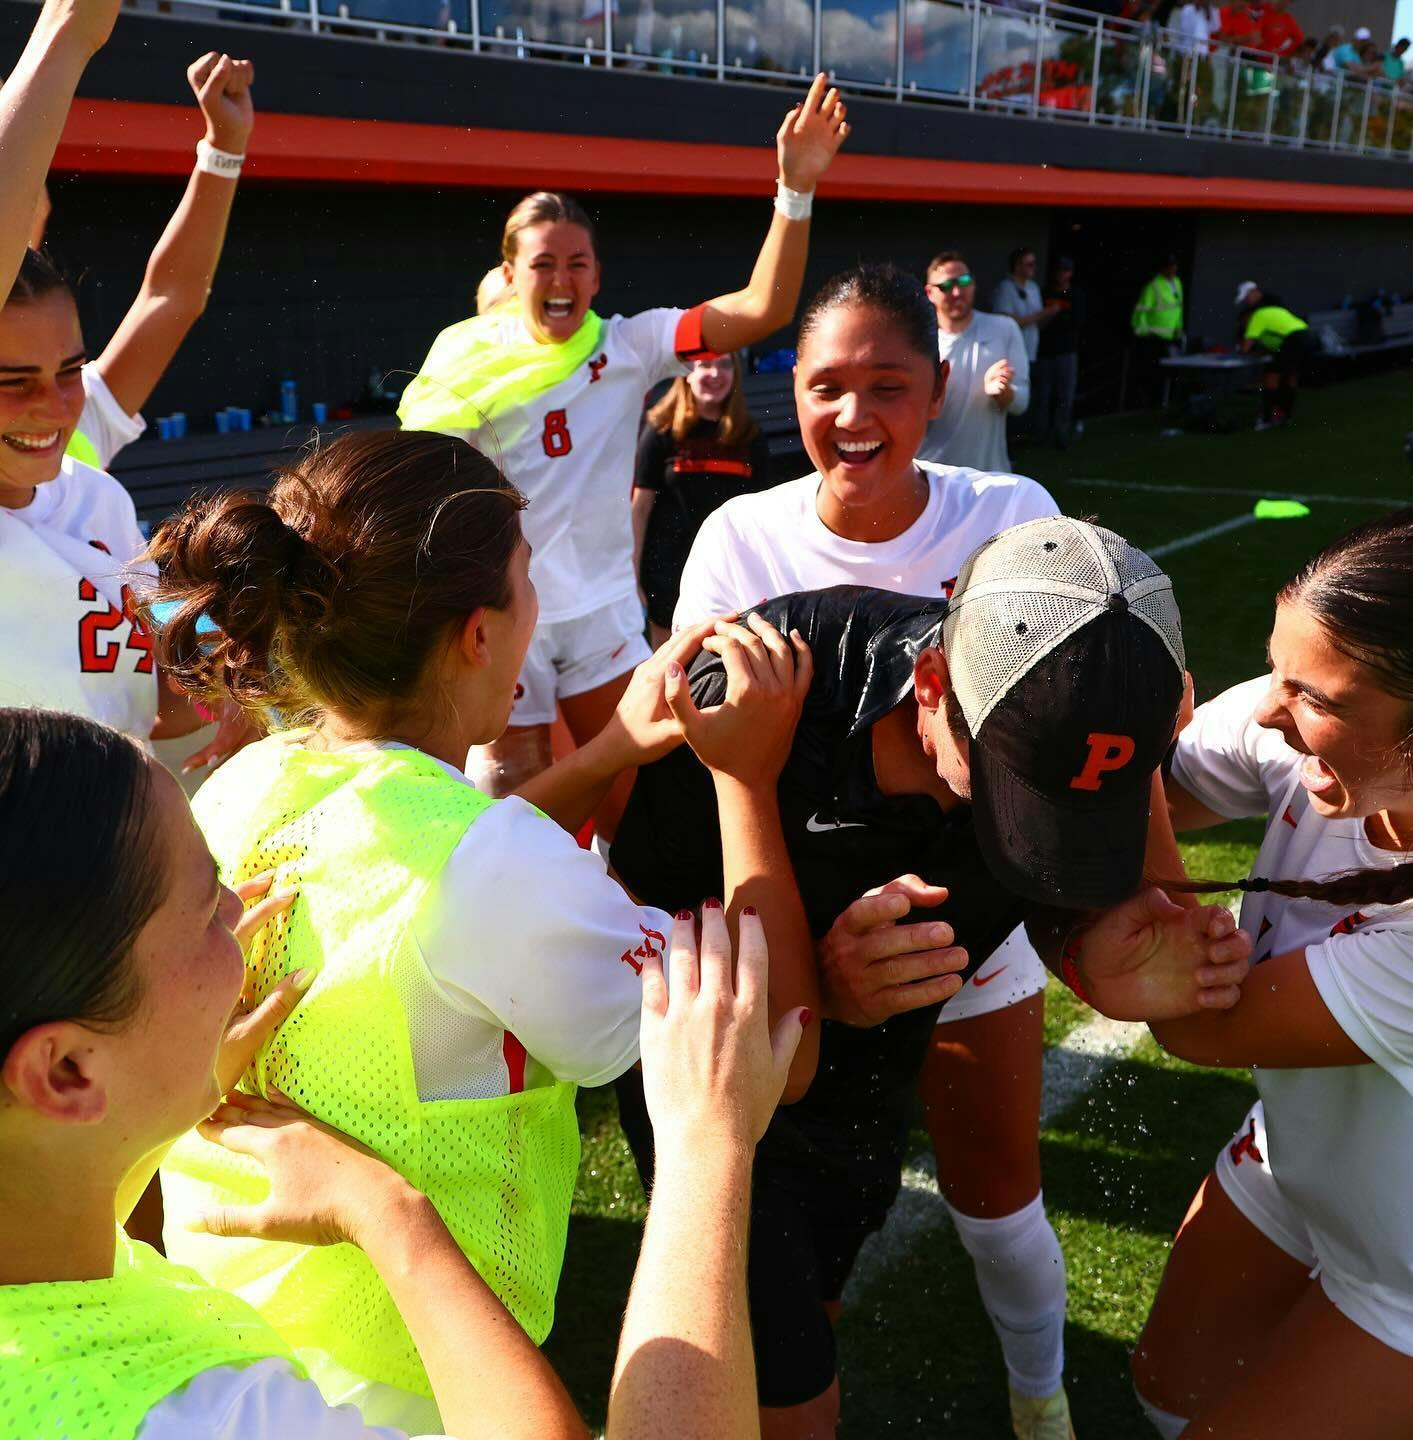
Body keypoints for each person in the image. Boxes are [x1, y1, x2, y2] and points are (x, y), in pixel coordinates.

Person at [143, 427, 820, 1431]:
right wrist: (745, 779)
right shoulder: (497, 870)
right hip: (413, 1393)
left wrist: (606, 756)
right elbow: (768, 1043)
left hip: (221, 1347)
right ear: (477, 635)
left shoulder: (239, 785)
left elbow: (441, 861)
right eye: (525, 577)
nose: (535, 606)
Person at [0, 701, 808, 1440]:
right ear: (67, 1071)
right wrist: (707, 1145)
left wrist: (173, 1089)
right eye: (207, 902)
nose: (245, 917)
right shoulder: (209, 1420)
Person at [616, 515, 1253, 1440]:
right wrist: (826, 990)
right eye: (1008, 790)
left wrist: (1103, 957)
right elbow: (728, 1025)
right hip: (714, 1082)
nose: (1031, 837)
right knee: (793, 1406)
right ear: (928, 684)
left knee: (815, 1299)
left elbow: (1083, 890)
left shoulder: (1092, 703)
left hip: (877, 1070)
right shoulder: (750, 695)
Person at [670, 263, 1069, 1437]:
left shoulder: (1012, 517)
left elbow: (1077, 715)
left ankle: (1041, 1399)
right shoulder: (740, 537)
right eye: (827, 387)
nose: (855, 418)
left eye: (888, 386)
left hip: (972, 923)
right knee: (804, 1191)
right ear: (788, 392)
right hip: (802, 936)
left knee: (996, 1188)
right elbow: (707, 749)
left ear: (937, 389)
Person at [397, 74, 848, 803]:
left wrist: (793, 191)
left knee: (633, 799)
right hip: (504, 603)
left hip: (603, 606)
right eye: (543, 263)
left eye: (577, 262)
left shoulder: (631, 344)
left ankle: (619, 910)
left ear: (598, 274)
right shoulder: (463, 359)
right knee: (514, 790)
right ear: (511, 277)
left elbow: (762, 308)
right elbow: (419, 484)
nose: (562, 278)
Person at [1132, 503, 1413, 1439]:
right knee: (1165, 1395)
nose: (1268, 707)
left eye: (1316, 697)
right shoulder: (1299, 735)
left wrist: (1124, 779)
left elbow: (1193, 1019)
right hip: (1302, 1156)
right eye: (1278, 667)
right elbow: (1150, 800)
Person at [0, 0, 234, 766]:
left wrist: (231, 682)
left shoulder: (96, 492)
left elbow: (159, 639)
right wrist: (69, 32)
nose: (55, 403)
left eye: (68, 370)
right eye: (16, 382)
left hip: (115, 847)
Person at [43, 51, 256, 471]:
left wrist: (225, 146)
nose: (46, 400)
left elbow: (172, 295)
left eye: (67, 369)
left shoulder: (72, 415)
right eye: (11, 381)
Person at [632, 353, 771, 645]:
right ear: (686, 373)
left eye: (724, 365)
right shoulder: (661, 431)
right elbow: (640, 507)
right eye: (705, 365)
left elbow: (763, 513)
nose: (715, 373)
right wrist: (633, 571)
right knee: (670, 661)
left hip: (731, 567)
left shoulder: (749, 436)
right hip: (668, 569)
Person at [917, 250, 1029, 473]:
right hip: (933, 477)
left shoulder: (1004, 328)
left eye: (964, 281)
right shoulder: (918, 343)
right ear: (929, 292)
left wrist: (1003, 393)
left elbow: (1022, 402)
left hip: (989, 475)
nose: (957, 292)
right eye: (946, 286)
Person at [1234, 280, 1320, 430]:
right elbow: (1277, 340)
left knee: (1271, 376)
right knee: (1290, 377)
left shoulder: (1258, 315)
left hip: (1294, 340)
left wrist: (1239, 352)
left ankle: (1267, 419)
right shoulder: (1274, 309)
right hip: (1308, 337)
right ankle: (1285, 416)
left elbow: (1246, 347)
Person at [1032, 256, 1084, 450]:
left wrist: (1056, 316)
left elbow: (1077, 322)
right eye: (1058, 271)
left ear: (1070, 273)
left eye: (1065, 270)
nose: (1061, 275)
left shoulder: (1076, 295)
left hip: (1067, 352)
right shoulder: (1044, 293)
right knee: (1043, 396)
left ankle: (1060, 435)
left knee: (1064, 396)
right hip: (1045, 352)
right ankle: (1040, 436)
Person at [1130, 256, 1185, 410]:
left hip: (1172, 336)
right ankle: (1152, 406)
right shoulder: (1153, 286)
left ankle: (1165, 404)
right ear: (1163, 268)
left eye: (1175, 266)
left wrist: (1179, 329)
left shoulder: (1177, 283)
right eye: (1170, 266)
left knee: (1169, 374)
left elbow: (1177, 309)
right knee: (1154, 374)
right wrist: (1142, 332)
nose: (1173, 269)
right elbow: (1141, 311)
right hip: (1154, 337)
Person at [990, 247, 1054, 372]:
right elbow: (1007, 321)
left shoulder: (1033, 287)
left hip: (1031, 352)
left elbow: (1039, 323)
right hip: (1010, 354)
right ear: (1018, 266)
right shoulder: (1005, 287)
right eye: (1030, 264)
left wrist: (1050, 314)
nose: (1034, 267)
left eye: (1035, 263)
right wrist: (1044, 313)